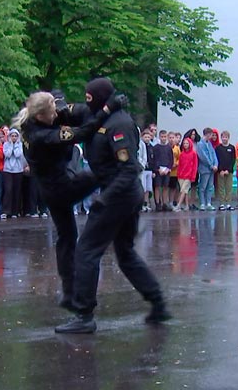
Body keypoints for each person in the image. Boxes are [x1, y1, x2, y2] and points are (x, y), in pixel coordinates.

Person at [55, 78, 170, 334]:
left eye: (89, 98)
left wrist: (104, 199)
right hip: (118, 194)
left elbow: (129, 170)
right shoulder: (98, 114)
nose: (86, 102)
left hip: (120, 195)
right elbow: (72, 115)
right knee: (126, 253)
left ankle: (84, 315)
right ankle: (158, 302)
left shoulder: (120, 125)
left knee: (86, 250)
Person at [15, 90, 112, 309]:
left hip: (50, 190)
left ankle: (68, 293)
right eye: (52, 113)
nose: (56, 115)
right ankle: (118, 199)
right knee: (101, 172)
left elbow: (58, 108)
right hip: (62, 188)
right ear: (41, 116)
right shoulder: (41, 136)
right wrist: (106, 110)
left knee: (67, 238)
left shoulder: (30, 118)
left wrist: (60, 104)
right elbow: (83, 133)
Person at [196, 127, 218, 210]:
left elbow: (213, 154)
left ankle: (208, 202)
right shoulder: (200, 144)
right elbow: (203, 156)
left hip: (212, 169)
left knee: (210, 186)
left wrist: (216, 164)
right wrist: (210, 165)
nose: (212, 136)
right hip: (205, 169)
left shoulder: (209, 143)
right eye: (211, 134)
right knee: (203, 186)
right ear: (207, 134)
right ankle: (202, 203)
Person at [152, 130, 174, 211]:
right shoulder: (156, 148)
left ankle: (165, 203)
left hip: (166, 170)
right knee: (157, 186)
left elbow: (171, 160)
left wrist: (168, 168)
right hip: (158, 170)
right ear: (159, 137)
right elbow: (154, 159)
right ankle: (158, 203)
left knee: (165, 187)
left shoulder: (169, 148)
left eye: (165, 137)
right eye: (162, 136)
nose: (163, 138)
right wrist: (157, 169)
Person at [175, 137, 197, 212]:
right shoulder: (182, 154)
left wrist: (193, 176)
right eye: (184, 143)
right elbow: (180, 165)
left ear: (190, 144)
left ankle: (178, 205)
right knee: (185, 191)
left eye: (187, 143)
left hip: (189, 176)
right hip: (181, 175)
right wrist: (178, 174)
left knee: (183, 190)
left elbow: (195, 165)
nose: (185, 145)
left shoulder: (193, 154)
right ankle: (187, 205)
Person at [215, 131, 235, 210]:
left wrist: (228, 170)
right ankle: (222, 203)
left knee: (228, 188)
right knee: (221, 187)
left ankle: (228, 203)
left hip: (229, 171)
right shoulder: (218, 148)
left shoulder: (231, 148)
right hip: (220, 172)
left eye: (226, 137)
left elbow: (233, 160)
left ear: (228, 138)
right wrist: (220, 170)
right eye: (223, 137)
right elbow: (217, 160)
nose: (224, 139)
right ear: (221, 138)